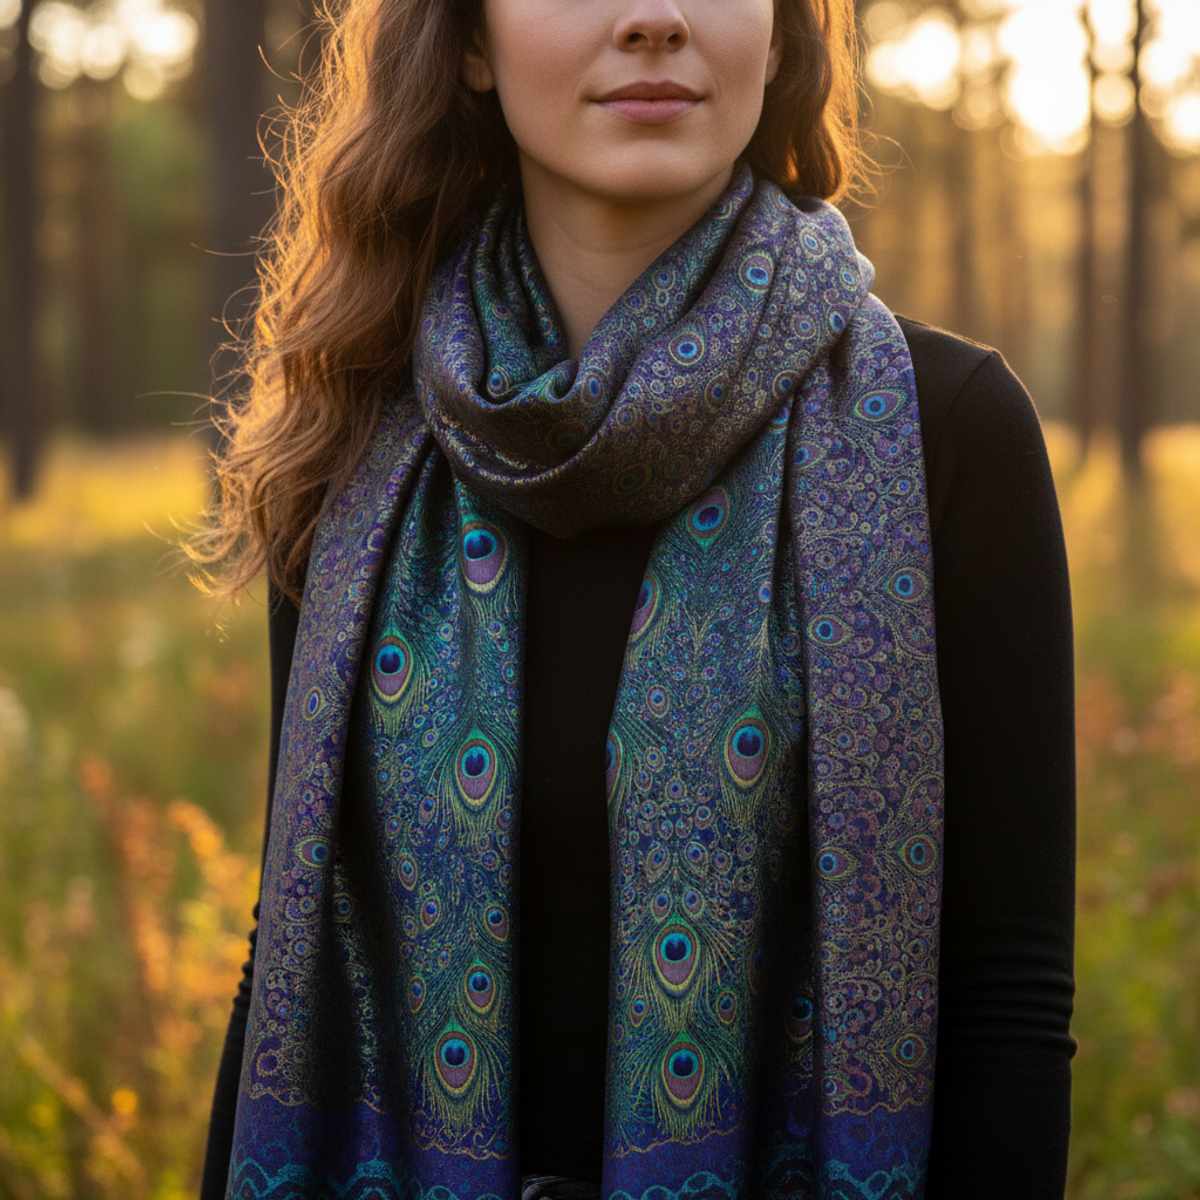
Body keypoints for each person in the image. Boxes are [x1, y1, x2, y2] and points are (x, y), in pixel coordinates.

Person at [195, 0, 1076, 1197]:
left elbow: (1006, 998)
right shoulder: (363, 444)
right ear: (465, 42)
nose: (655, 18)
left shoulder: (950, 433)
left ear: (778, 33)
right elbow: (291, 953)